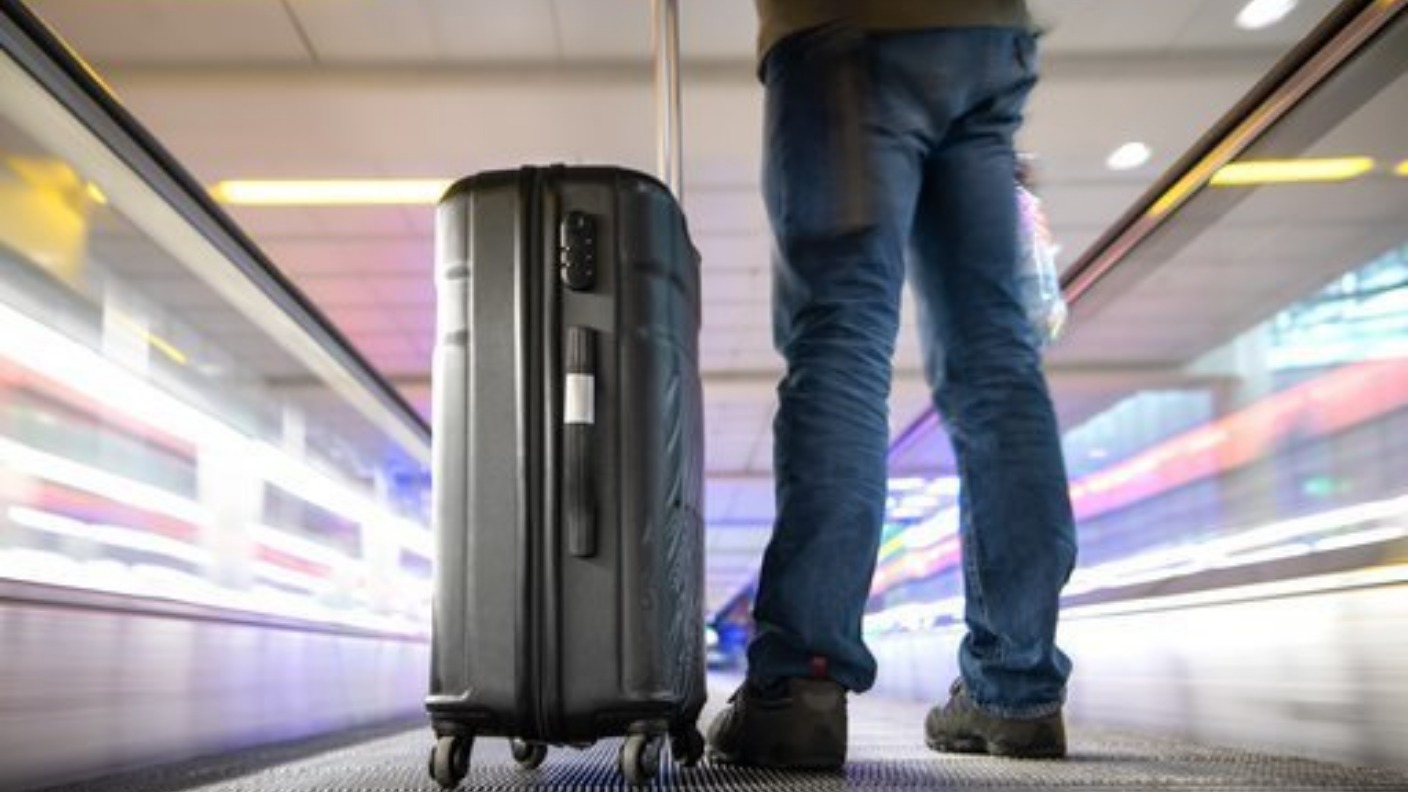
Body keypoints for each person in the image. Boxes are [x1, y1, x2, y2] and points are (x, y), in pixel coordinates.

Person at [706, 0, 1079, 769]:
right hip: (987, 37)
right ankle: (1018, 688)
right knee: (997, 358)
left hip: (850, 31)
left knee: (840, 341)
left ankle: (804, 681)